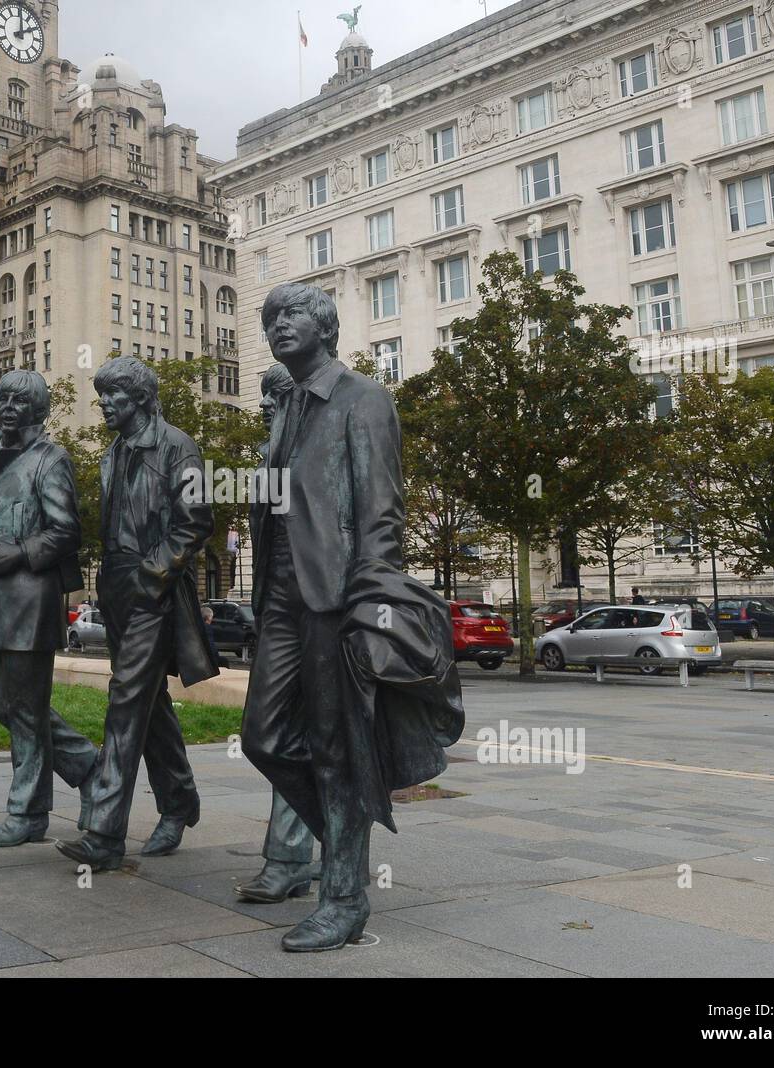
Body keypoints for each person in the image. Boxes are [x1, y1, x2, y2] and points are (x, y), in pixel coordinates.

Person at [242, 282, 457, 952]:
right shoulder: (287, 411)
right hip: (279, 597)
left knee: (338, 751)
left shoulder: (363, 400)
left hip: (336, 597)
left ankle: (343, 896)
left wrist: (371, 601)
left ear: (325, 326)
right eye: (272, 318)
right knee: (264, 737)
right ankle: (341, 844)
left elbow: (381, 513)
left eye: (294, 315)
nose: (280, 325)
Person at [56, 356, 219, 872]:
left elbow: (196, 522)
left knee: (125, 699)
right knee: (149, 703)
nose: (104, 404)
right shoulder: (111, 455)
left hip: (156, 588)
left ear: (142, 399)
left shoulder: (178, 446)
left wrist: (153, 575)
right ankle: (180, 801)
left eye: (114, 396)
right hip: (118, 589)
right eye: (102, 395)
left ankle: (104, 833)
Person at [0, 370, 100, 848]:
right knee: (7, 706)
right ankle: (90, 768)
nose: (9, 406)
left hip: (28, 595)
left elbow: (66, 530)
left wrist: (18, 552)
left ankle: (26, 812)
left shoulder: (51, 459)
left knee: (23, 706)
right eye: (4, 398)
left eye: (21, 400)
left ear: (39, 409)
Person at [234, 362, 317, 905]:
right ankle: (328, 835)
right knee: (265, 733)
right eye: (264, 397)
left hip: (324, 607)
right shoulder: (266, 459)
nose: (265, 405)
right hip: (278, 609)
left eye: (277, 396)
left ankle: (291, 858)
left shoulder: (324, 446)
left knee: (319, 735)